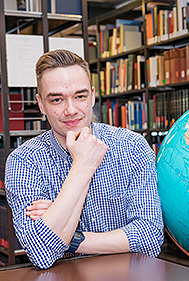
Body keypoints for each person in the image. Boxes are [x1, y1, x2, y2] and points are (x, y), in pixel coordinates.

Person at [5, 49, 164, 269]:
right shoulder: (24, 162)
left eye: (80, 96)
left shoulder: (132, 146)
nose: (71, 110)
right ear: (41, 104)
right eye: (57, 99)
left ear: (92, 95)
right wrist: (82, 166)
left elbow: (149, 238)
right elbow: (40, 252)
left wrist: (68, 236)